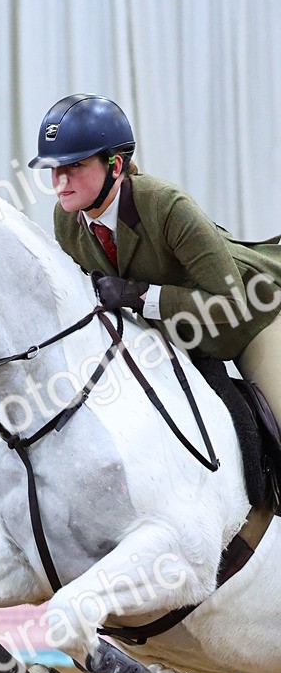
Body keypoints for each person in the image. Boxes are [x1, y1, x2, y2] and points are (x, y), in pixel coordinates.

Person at [28, 93, 281, 430]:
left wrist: (141, 296)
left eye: (75, 165)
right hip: (178, 338)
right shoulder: (66, 220)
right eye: (54, 167)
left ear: (115, 166)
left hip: (254, 317)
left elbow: (231, 302)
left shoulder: (166, 205)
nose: (60, 180)